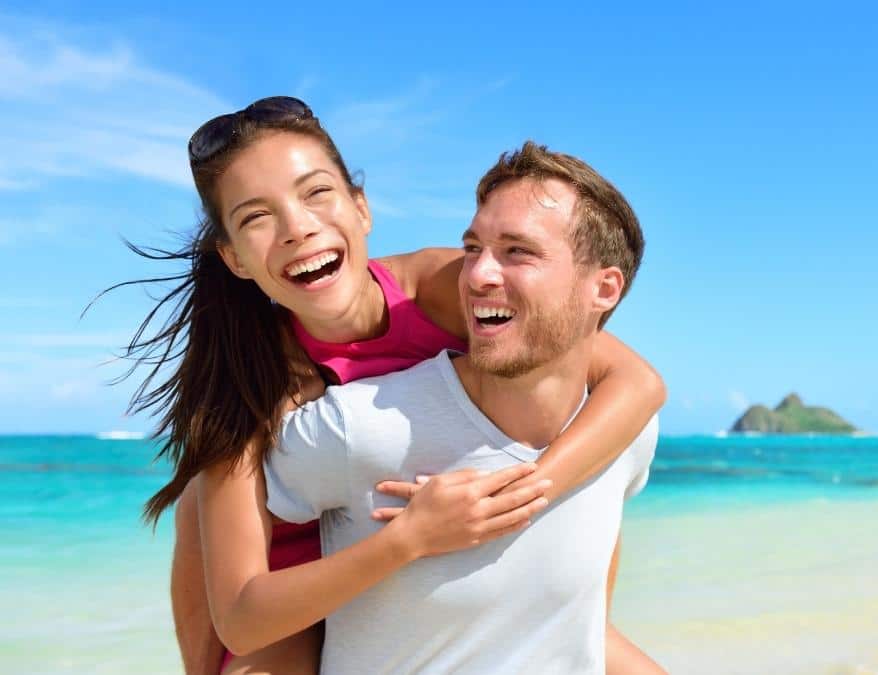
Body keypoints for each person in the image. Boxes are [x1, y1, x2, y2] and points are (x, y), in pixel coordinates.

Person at [109, 97, 664, 673]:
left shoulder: (442, 288)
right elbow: (239, 611)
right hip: (298, 576)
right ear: (235, 259)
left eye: (315, 193)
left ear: (362, 208)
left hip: (445, 538)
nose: (297, 228)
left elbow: (636, 382)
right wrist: (410, 539)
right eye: (256, 218)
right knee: (199, 506)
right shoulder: (251, 377)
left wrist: (522, 493)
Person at [265, 140, 659, 673]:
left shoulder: (625, 433)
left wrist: (523, 492)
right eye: (472, 248)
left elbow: (583, 621)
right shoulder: (355, 429)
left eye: (517, 252)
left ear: (604, 289)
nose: (476, 274)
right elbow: (232, 587)